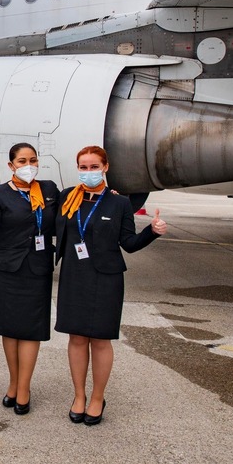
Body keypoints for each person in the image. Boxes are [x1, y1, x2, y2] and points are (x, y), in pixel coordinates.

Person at [55, 145, 167, 426]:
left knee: (100, 340)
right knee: (77, 338)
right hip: (74, 276)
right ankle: (78, 395)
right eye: (83, 167)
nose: (88, 172)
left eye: (94, 167)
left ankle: (97, 397)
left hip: (105, 279)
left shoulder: (119, 204)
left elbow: (128, 244)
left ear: (105, 168)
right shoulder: (68, 197)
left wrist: (152, 232)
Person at [0, 143, 59, 415]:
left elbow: (66, 213)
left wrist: (107, 197)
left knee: (30, 330)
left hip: (36, 269)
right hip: (6, 269)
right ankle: (13, 383)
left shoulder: (48, 190)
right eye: (22, 160)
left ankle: (24, 388)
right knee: (10, 329)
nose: (28, 165)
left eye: (33, 160)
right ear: (11, 165)